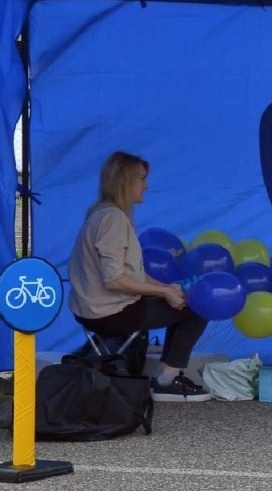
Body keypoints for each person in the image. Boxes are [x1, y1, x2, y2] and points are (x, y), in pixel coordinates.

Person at [68, 151, 211, 403]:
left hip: (92, 310)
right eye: (141, 178)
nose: (146, 185)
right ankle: (166, 380)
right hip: (108, 313)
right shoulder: (113, 219)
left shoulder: (100, 214)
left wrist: (166, 287)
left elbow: (132, 272)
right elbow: (113, 280)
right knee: (200, 305)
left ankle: (167, 375)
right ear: (124, 181)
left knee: (181, 299)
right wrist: (165, 292)